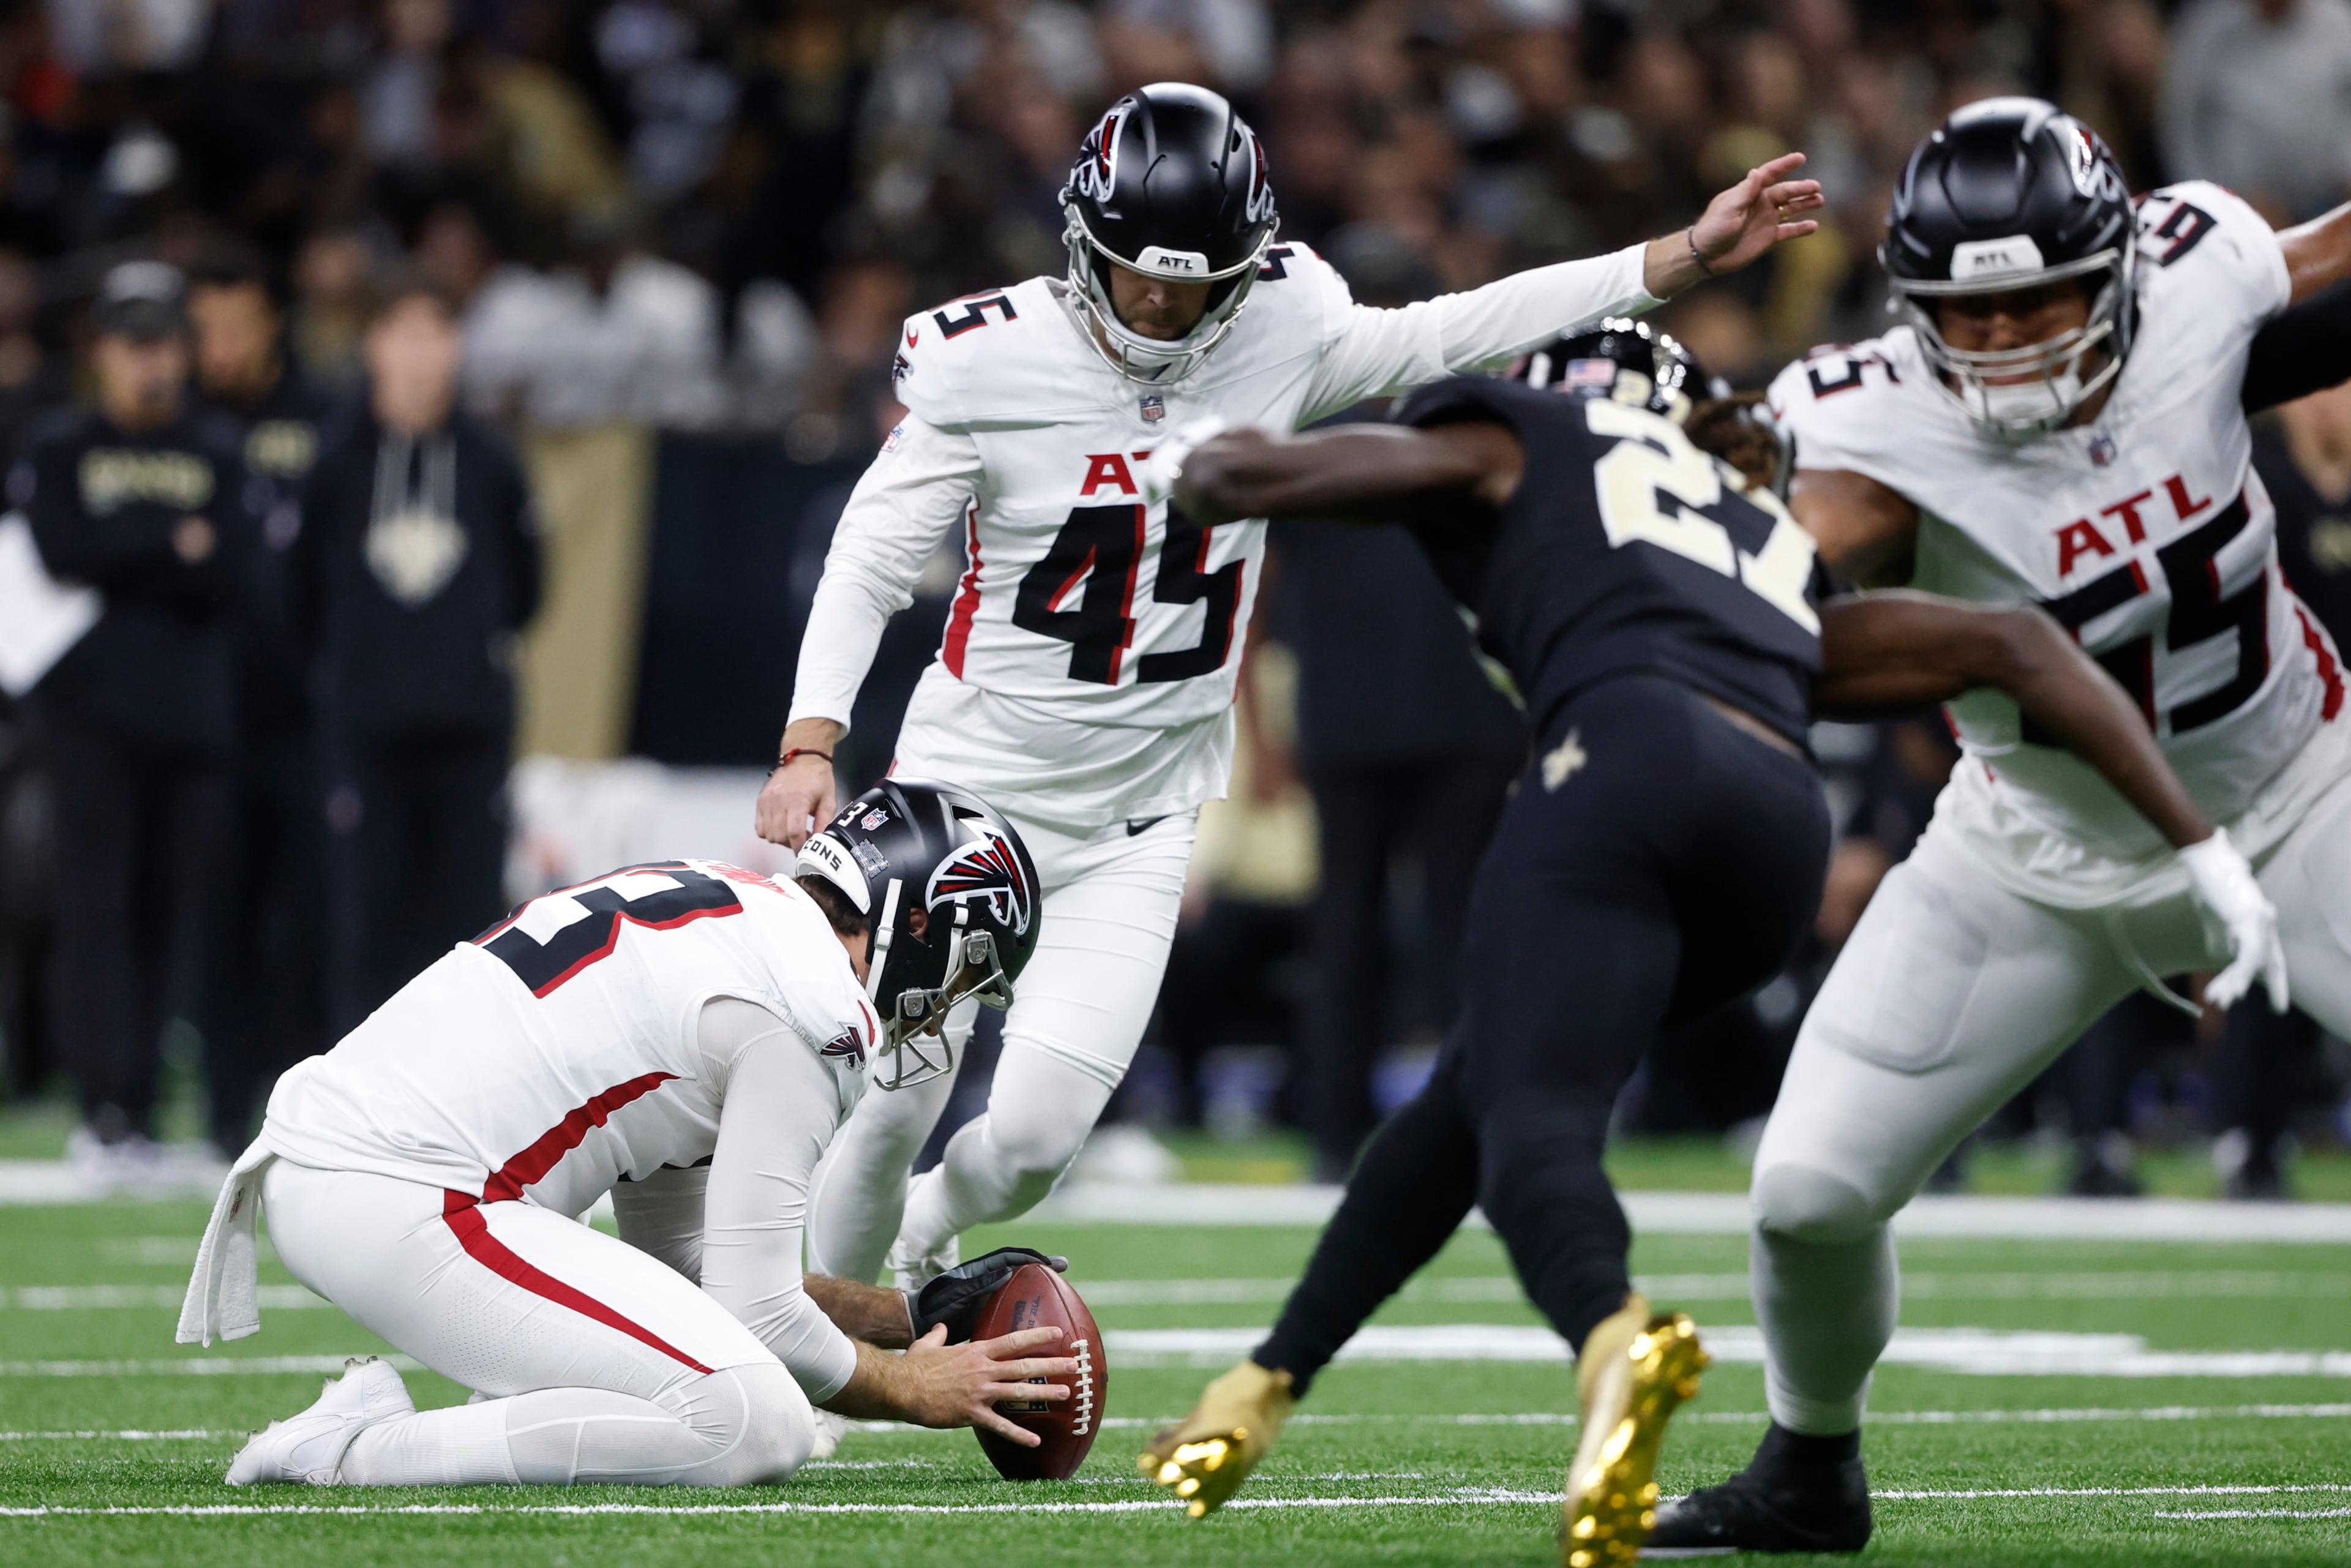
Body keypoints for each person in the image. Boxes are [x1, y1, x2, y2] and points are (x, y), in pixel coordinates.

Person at [1130, 320, 2282, 1564]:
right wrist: (2200, 847)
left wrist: (1210, 464)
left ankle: (1614, 1333)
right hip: (1774, 836)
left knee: (1535, 1123)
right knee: (1481, 1091)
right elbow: (2016, 646)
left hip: (1623, 757)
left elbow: (1334, 475)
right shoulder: (1760, 536)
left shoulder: (1526, 436)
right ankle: (1262, 1383)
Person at [754, 80, 1826, 1300]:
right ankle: (838, 1353)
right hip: (966, 788)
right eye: (1133, 273)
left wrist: (1676, 256)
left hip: (1139, 816)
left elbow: (1452, 331)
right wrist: (811, 738)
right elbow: (874, 554)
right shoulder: (987, 355)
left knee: (1037, 1137)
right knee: (899, 1101)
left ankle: (926, 1236)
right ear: (1082, 242)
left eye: (1191, 279)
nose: (1159, 302)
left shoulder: (1282, 321)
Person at [1651, 97, 2351, 1555]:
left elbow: (2316, 267)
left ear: (2117, 273)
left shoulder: (2199, 274)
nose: (2007, 342)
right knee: (1803, 1193)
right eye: (1966, 316)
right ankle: (1807, 1467)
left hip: (2292, 794)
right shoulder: (1861, 426)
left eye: (2038, 299)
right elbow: (1784, 555)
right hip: (2027, 845)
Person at [178, 780, 1082, 1489]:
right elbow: (759, 1313)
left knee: (709, 1378)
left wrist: (912, 1316)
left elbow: (689, 1262)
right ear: (916, 919)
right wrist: (912, 1388)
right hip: (409, 1193)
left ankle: (370, 1433)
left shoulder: (741, 913)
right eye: (962, 971)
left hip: (357, 1171)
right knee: (751, 1419)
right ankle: (354, 1447)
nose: (944, 1010)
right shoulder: (810, 1006)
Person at [17, 261, 263, 1188]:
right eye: (132, 344)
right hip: (89, 722)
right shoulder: (61, 442)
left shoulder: (219, 444)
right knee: (96, 914)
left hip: (196, 723)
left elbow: (235, 566)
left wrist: (130, 550)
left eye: (161, 343)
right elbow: (57, 546)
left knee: (171, 919)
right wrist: (170, 540)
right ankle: (101, 1106)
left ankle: (147, 1106)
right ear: (102, 353)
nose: (148, 362)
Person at [291, 279, 542, 1033]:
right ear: (371, 348)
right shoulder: (334, 461)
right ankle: (356, 1101)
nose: (419, 355)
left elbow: (527, 587)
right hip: (365, 727)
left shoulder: (494, 462)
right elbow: (298, 588)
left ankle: (468, 1095)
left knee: (470, 918)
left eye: (435, 333)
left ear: (457, 348)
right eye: (401, 333)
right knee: (366, 912)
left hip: (471, 726)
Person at [187, 254, 338, 1154]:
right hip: (210, 715)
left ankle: (312, 1109)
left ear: (272, 326)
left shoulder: (325, 417)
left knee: (316, 915)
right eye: (206, 331)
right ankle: (218, 1111)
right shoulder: (188, 426)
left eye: (236, 328)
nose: (220, 350)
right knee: (221, 916)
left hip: (313, 713)